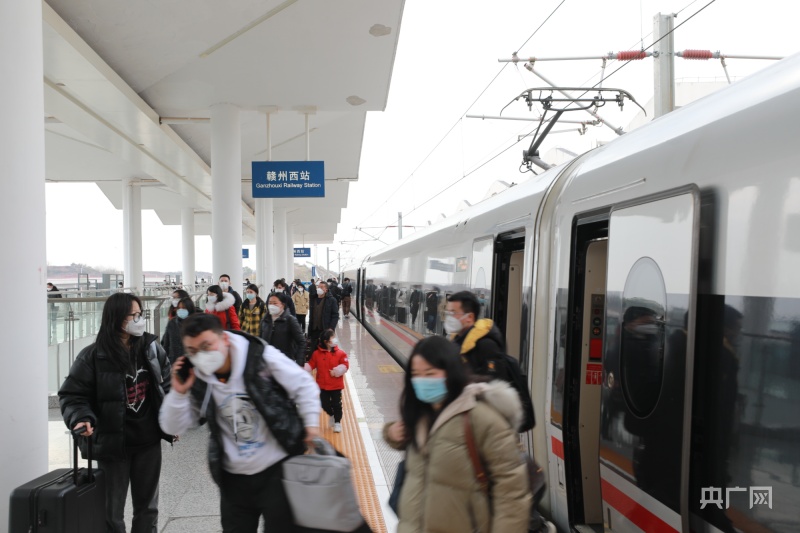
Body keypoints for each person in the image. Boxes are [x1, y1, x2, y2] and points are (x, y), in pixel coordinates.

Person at [159, 313, 321, 533]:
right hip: (233, 478)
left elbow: (304, 384)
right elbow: (172, 427)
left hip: (277, 469)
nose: (201, 356)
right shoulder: (196, 377)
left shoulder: (259, 356)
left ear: (224, 339)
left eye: (207, 346)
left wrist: (311, 425)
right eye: (193, 351)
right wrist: (178, 393)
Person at [383, 336, 531, 532]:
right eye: (416, 374)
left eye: (430, 373)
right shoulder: (422, 414)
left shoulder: (483, 419)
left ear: (451, 372)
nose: (421, 381)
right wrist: (391, 433)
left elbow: (511, 493)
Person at [59, 292, 174, 533]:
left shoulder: (151, 349)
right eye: (133, 315)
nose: (139, 320)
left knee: (148, 508)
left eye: (140, 314)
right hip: (112, 445)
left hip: (148, 442)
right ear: (117, 318)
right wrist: (81, 417)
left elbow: (166, 384)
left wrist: (171, 418)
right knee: (111, 512)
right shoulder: (93, 356)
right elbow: (72, 395)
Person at [445, 291, 505, 369]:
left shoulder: (487, 346)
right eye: (448, 313)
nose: (449, 318)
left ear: (470, 317)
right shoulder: (455, 341)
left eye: (453, 313)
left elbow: (493, 375)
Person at [305, 329, 349, 433]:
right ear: (326, 342)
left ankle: (337, 422)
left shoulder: (340, 353)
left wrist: (337, 371)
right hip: (322, 385)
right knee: (324, 404)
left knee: (337, 404)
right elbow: (311, 364)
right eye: (333, 338)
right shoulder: (316, 354)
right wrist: (300, 369)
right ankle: (331, 414)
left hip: (336, 385)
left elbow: (345, 365)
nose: (335, 339)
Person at [260, 292, 306, 366]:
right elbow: (260, 340)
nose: (271, 306)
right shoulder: (265, 320)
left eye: (275, 303)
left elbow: (301, 342)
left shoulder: (290, 320)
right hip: (267, 363)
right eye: (270, 303)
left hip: (285, 363)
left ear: (283, 305)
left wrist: (299, 362)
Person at [308, 281, 339, 359]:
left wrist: (331, 328)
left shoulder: (331, 300)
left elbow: (335, 315)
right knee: (313, 352)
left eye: (321, 287)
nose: (319, 288)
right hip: (314, 330)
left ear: (326, 290)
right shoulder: (313, 299)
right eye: (318, 287)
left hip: (325, 329)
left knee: (325, 351)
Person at [162, 296, 197, 364]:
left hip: (191, 362)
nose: (181, 310)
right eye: (179, 308)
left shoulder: (195, 324)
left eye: (184, 308)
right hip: (173, 361)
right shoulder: (172, 323)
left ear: (189, 309)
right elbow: (166, 343)